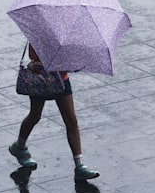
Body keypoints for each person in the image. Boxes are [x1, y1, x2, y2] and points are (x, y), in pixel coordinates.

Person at [8, 43, 99, 182]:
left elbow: (71, 58)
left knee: (71, 121)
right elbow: (33, 54)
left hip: (61, 79)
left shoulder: (66, 32)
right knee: (35, 115)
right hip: (41, 78)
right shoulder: (39, 28)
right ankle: (19, 147)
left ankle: (79, 165)